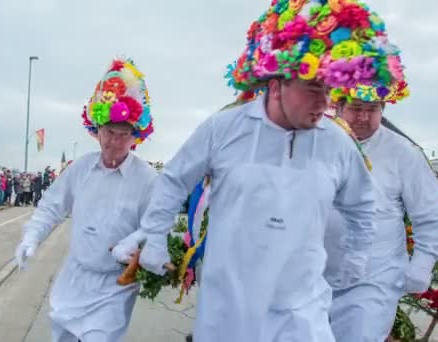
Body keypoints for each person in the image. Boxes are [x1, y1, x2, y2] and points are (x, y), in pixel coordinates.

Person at [111, 1, 408, 340]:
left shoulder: (337, 143)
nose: (323, 102)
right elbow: (175, 181)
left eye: (327, 89)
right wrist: (156, 238)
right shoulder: (224, 129)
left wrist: (354, 264)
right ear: (276, 84)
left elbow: (362, 207)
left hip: (302, 313)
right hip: (228, 313)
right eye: (312, 88)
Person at [15, 58, 156, 342]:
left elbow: (157, 225)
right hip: (74, 278)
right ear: (97, 131)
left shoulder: (148, 179)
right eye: (109, 132)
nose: (114, 141)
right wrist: (31, 237)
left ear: (135, 137)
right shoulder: (80, 169)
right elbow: (51, 206)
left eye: (122, 135)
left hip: (115, 286)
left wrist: (134, 242)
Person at [324, 81, 438, 340]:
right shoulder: (314, 142)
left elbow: (430, 215)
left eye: (373, 109)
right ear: (338, 107)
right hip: (315, 277)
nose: (364, 117)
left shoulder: (403, 152)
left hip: (375, 277)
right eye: (356, 108)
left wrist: (421, 265)